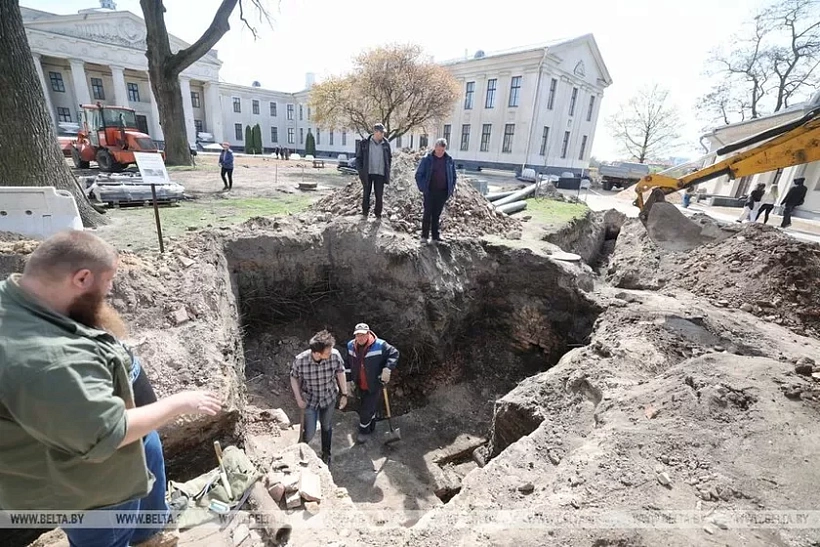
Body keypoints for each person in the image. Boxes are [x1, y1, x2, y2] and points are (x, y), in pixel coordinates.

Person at [0, 230, 222, 547]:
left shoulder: (27, 301)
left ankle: (148, 536)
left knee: (148, 514)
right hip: (97, 489)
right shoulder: (49, 362)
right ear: (82, 278)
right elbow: (108, 434)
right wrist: (181, 403)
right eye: (110, 279)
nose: (112, 288)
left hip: (133, 451)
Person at [290, 330, 348, 466]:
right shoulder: (301, 361)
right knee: (309, 431)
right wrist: (298, 398)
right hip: (310, 400)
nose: (331, 352)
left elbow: (340, 372)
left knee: (326, 426)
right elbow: (293, 377)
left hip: (329, 397)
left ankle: (326, 453)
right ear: (317, 353)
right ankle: (303, 450)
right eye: (327, 351)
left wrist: (344, 394)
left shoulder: (334, 356)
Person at [346, 323, 399, 444]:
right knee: (366, 406)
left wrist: (387, 368)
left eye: (363, 335)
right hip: (359, 383)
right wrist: (348, 381)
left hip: (374, 383)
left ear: (368, 333)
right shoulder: (350, 346)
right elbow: (347, 363)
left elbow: (394, 354)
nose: (360, 338)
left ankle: (363, 432)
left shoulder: (380, 345)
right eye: (358, 335)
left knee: (366, 410)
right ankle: (371, 425)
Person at [415, 138, 458, 243]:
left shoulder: (449, 160)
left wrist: (451, 189)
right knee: (427, 213)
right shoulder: (427, 159)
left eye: (442, 150)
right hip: (429, 191)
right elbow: (418, 175)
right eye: (438, 150)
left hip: (442, 192)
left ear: (445, 149)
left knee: (437, 214)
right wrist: (423, 188)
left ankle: (435, 236)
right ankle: (424, 236)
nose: (440, 152)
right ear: (435, 148)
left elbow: (453, 176)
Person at [355, 123, 393, 220]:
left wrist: (387, 170)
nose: (383, 134)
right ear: (376, 132)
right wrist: (361, 172)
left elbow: (389, 158)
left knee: (379, 195)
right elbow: (358, 159)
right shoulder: (365, 143)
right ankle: (365, 213)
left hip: (380, 173)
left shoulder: (386, 144)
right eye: (382, 132)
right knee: (366, 193)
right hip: (368, 173)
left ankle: (378, 214)